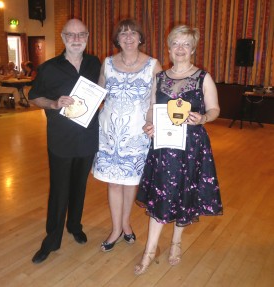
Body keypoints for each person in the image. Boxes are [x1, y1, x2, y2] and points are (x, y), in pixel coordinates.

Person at [134, 25, 223, 275]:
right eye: (176, 43)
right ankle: (150, 251)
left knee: (185, 192)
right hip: (163, 145)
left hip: (192, 147)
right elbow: (152, 108)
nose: (180, 49)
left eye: (186, 44)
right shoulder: (159, 78)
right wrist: (149, 123)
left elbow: (215, 109)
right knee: (161, 195)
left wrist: (203, 118)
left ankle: (175, 242)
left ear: (193, 48)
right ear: (169, 47)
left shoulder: (203, 77)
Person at [29, 19, 101, 264]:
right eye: (71, 35)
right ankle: (52, 240)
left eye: (81, 34)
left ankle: (74, 225)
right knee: (60, 190)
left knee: (79, 186)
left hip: (88, 136)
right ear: (62, 37)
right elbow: (35, 96)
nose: (76, 39)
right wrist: (53, 103)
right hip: (60, 138)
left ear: (88, 36)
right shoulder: (49, 68)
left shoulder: (94, 63)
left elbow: (102, 89)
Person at [92, 19, 162, 252]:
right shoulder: (108, 63)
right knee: (114, 182)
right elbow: (97, 93)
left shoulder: (153, 65)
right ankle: (116, 229)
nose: (129, 37)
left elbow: (156, 101)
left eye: (133, 33)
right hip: (110, 133)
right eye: (123, 33)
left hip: (136, 133)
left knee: (131, 181)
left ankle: (125, 224)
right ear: (117, 39)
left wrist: (152, 123)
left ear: (141, 38)